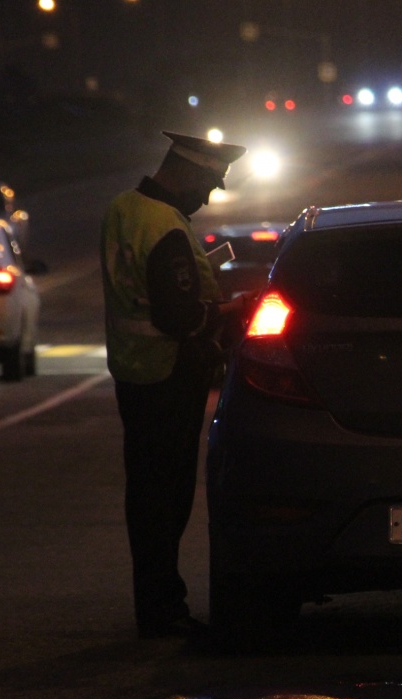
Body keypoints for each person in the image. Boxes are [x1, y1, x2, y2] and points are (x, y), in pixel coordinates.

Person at [100, 131, 255, 639]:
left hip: (134, 372)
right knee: (166, 501)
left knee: (146, 497)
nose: (208, 196)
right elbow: (178, 316)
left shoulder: (123, 209)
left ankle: (155, 604)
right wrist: (230, 309)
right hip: (169, 377)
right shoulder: (165, 225)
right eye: (209, 183)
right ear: (187, 171)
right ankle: (164, 609)